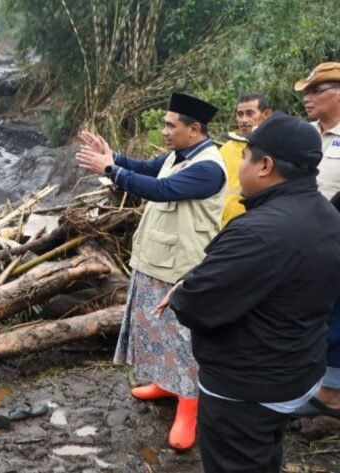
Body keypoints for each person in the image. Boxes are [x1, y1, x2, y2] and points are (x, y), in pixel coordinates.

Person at [163, 111, 340, 472]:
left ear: (265, 166)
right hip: (299, 371)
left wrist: (184, 291)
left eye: (245, 157)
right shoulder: (326, 214)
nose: (239, 166)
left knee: (238, 458)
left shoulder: (256, 232)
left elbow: (196, 305)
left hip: (246, 387)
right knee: (263, 448)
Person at [75, 92, 227, 450]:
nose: (165, 131)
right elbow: (145, 168)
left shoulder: (208, 166)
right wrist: (112, 157)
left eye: (171, 125)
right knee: (155, 328)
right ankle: (165, 383)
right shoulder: (180, 156)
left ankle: (189, 405)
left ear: (195, 129)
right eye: (164, 124)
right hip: (156, 259)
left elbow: (160, 189)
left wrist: (110, 171)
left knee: (182, 338)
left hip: (182, 267)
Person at [292, 62, 340, 418]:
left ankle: (331, 394)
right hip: (297, 240)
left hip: (335, 240)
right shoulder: (303, 134)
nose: (307, 98)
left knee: (337, 313)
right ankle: (309, 381)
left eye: (315, 90)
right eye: (306, 91)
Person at [219, 93, 272, 226]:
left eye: (250, 113)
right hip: (224, 224)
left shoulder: (274, 148)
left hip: (258, 223)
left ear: (266, 114)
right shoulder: (226, 148)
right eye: (240, 114)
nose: (244, 119)